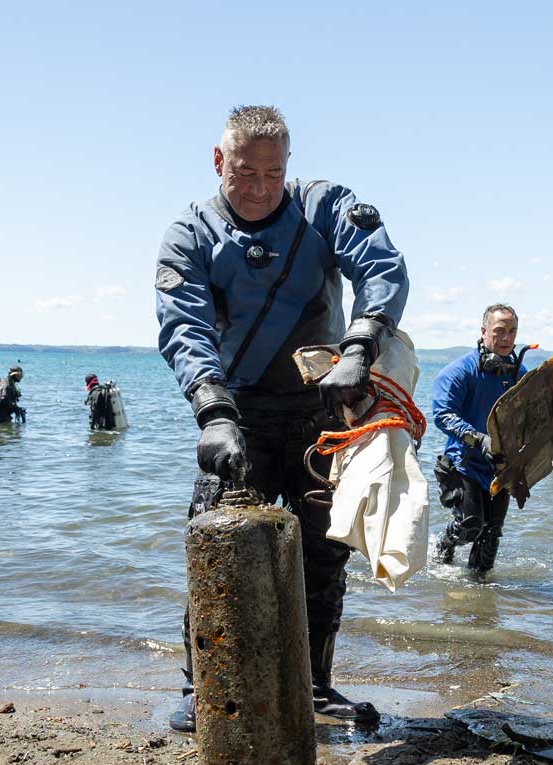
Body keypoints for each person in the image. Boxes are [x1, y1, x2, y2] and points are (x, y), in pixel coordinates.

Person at [155, 105, 409, 732]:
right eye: (246, 173)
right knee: (215, 545)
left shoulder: (323, 208)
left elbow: (381, 268)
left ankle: (316, 683)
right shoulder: (190, 234)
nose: (262, 188)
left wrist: (361, 346)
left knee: (325, 553)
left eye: (274, 173)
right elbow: (184, 326)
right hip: (235, 411)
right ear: (219, 162)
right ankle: (205, 687)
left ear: (288, 166)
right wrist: (212, 414)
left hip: (321, 408)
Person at [432, 304, 529, 571]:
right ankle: (443, 546)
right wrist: (479, 439)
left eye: (512, 332)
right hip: (464, 463)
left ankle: (482, 597)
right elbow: (442, 414)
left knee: (492, 533)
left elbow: (528, 418)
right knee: (471, 525)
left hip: (499, 467)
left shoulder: (519, 375)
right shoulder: (458, 371)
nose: (507, 338)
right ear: (484, 331)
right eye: (499, 331)